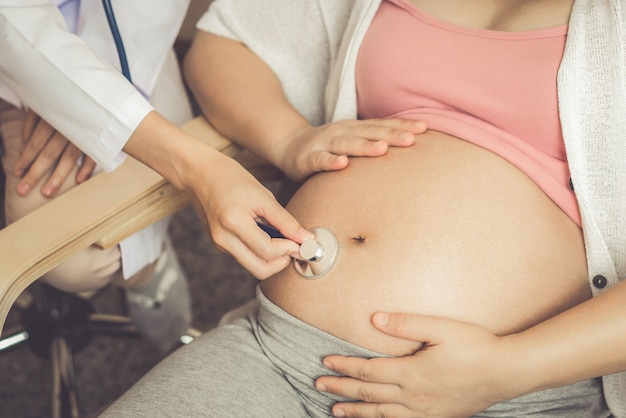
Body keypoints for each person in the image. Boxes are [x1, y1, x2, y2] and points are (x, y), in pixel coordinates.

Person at [101, 0, 626, 417]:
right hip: (276, 351)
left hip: (505, 396)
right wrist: (289, 139)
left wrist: (508, 370)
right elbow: (227, 40)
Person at [0, 0, 314, 353]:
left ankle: (148, 268)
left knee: (79, 262)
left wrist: (84, 91)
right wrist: (57, 88)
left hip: (117, 44)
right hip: (15, 50)